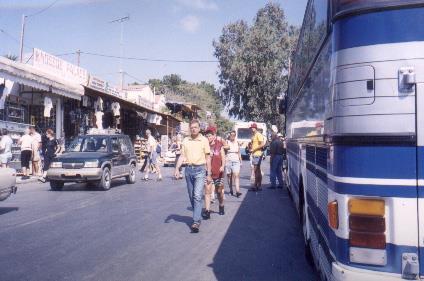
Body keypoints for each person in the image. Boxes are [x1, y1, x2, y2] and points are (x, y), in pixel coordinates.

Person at [175, 120, 211, 233]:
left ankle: (196, 221)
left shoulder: (204, 140)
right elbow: (182, 156)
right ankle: (198, 213)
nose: (193, 129)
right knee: (191, 195)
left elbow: (208, 157)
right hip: (188, 170)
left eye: (195, 127)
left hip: (200, 169)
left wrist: (209, 173)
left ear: (199, 128)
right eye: (192, 127)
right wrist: (176, 168)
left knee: (197, 195)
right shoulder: (186, 140)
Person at [203, 126, 226, 220]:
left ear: (214, 135)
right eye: (207, 135)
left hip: (218, 172)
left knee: (219, 192)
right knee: (207, 191)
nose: (208, 137)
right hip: (208, 173)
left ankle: (221, 205)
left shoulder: (219, 145)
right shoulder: (205, 146)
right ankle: (207, 211)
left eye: (210, 135)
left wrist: (222, 166)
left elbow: (223, 157)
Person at [249, 123, 266, 192]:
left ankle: (256, 185)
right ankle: (258, 186)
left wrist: (254, 149)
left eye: (253, 128)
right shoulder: (254, 135)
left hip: (257, 154)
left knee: (256, 171)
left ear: (256, 128)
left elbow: (262, 144)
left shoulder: (258, 134)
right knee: (258, 170)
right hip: (255, 154)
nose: (252, 129)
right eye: (251, 128)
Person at [226, 130, 242, 197]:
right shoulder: (226, 142)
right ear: (229, 135)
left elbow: (238, 152)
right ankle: (231, 190)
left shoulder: (237, 142)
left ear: (235, 136)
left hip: (236, 160)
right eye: (231, 135)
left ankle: (237, 191)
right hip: (228, 160)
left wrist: (241, 160)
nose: (232, 136)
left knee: (236, 175)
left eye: (234, 135)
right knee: (229, 176)